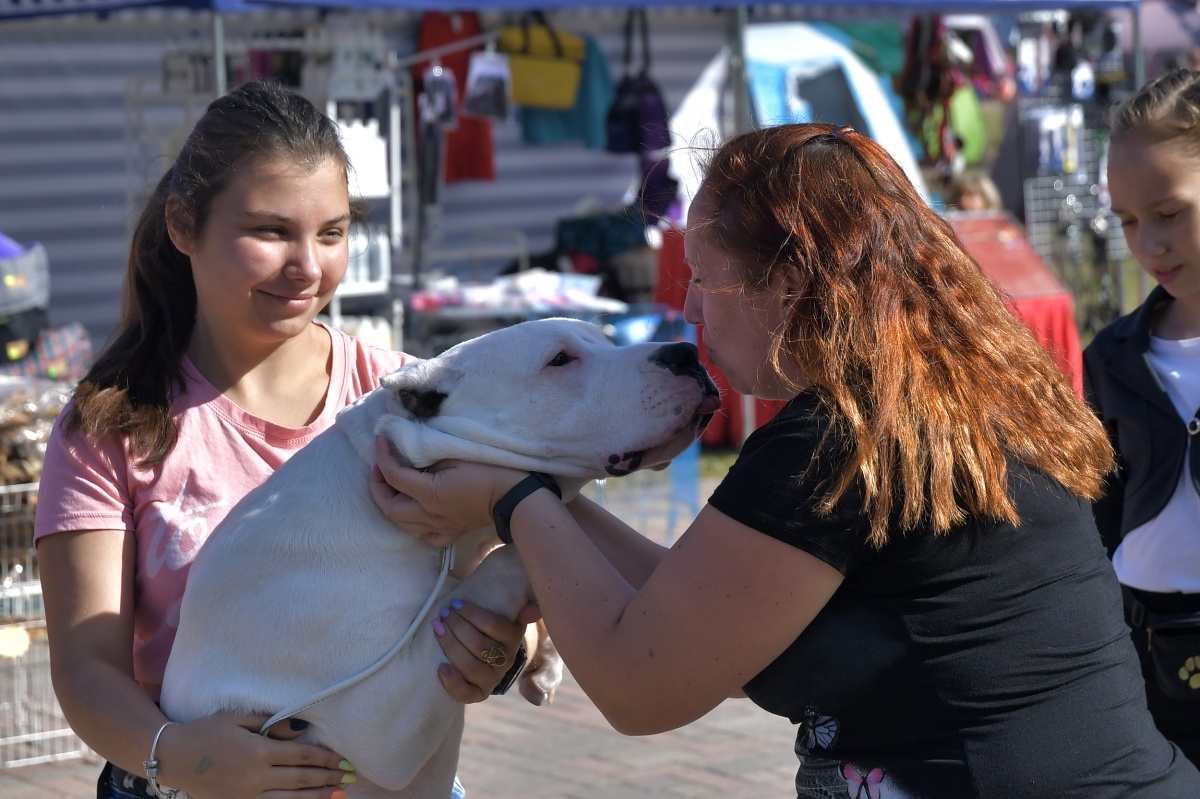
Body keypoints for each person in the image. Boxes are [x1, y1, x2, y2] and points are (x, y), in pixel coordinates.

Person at [374, 122, 1200, 798]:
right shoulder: (935, 396)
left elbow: (640, 683)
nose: (689, 307)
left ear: (792, 280)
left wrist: (515, 503)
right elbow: (701, 621)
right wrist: (545, 499)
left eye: (706, 277)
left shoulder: (838, 439)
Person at [34, 81, 541, 799]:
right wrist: (178, 755)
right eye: (271, 232)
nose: (307, 265)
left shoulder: (403, 397)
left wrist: (507, 645)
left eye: (332, 233)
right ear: (183, 225)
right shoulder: (111, 427)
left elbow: (501, 565)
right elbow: (86, 668)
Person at [1083, 67, 1200, 765]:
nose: (1147, 243)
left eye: (1168, 212)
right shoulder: (1112, 357)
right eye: (1128, 221)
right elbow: (1098, 508)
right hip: (1145, 644)